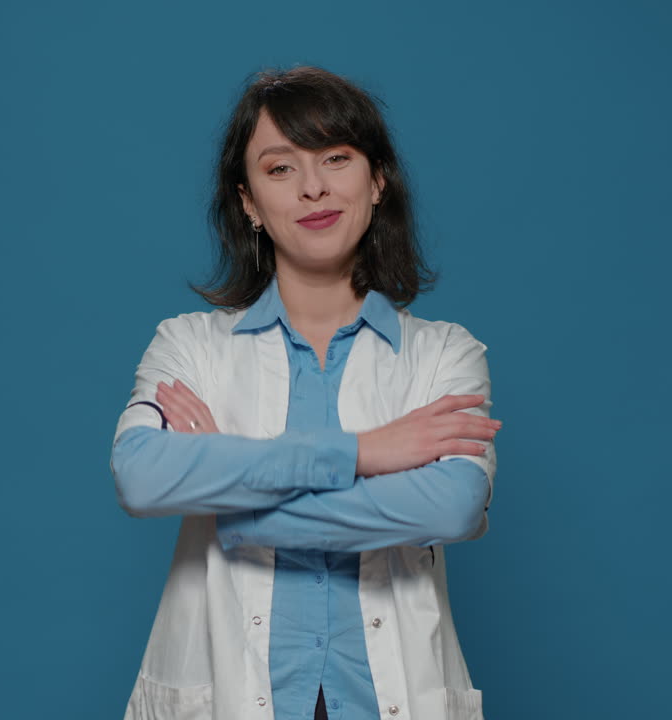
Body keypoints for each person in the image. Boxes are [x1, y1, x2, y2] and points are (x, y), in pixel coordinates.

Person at [110, 66, 502, 720]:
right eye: (279, 168)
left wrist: (230, 503)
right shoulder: (189, 346)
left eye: (336, 158)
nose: (313, 187)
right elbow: (143, 478)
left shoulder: (443, 355)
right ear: (248, 202)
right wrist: (366, 452)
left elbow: (453, 505)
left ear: (377, 182)